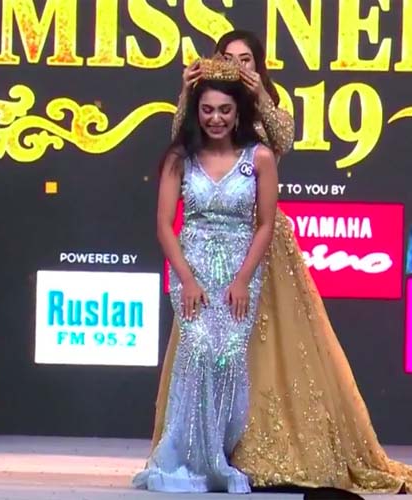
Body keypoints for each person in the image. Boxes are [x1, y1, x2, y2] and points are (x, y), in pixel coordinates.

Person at [150, 31, 412, 494]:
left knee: (269, 345)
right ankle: (200, 449)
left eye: (246, 60)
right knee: (203, 350)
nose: (236, 68)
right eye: (227, 59)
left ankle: (265, 447)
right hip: (201, 257)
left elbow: (282, 144)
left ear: (259, 66)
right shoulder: (194, 131)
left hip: (258, 246)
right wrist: (186, 94)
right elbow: (180, 154)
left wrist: (256, 97)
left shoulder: (263, 119)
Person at [133, 56, 278, 493]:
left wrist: (242, 279)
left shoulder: (260, 157)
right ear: (196, 112)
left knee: (227, 359)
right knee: (196, 354)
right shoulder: (180, 158)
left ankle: (219, 456)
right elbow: (164, 225)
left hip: (239, 272)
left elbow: (265, 225)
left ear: (238, 112)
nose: (216, 118)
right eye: (208, 110)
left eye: (225, 110)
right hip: (190, 267)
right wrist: (188, 279)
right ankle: (189, 457)